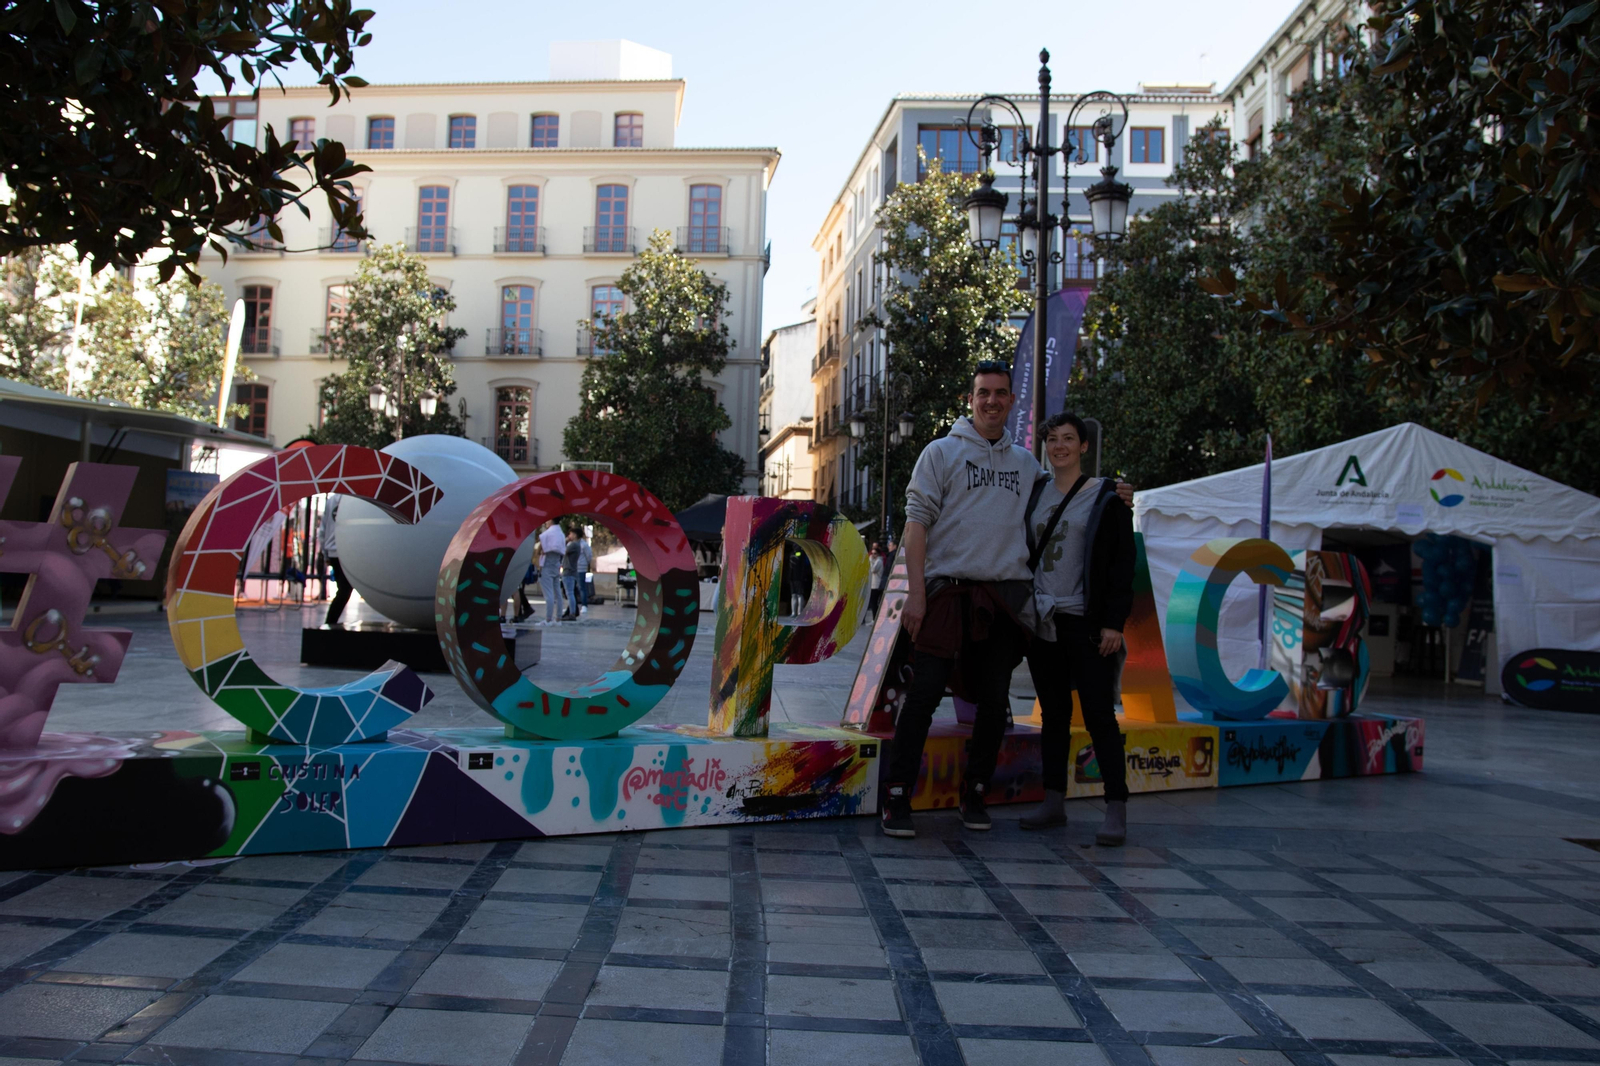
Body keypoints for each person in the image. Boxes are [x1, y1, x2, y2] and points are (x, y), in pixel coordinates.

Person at [882, 360, 1045, 838]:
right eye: (982, 393)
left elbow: (1061, 504)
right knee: (924, 696)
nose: (991, 400)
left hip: (1000, 599)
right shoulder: (940, 453)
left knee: (995, 702)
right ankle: (897, 794)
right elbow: (916, 525)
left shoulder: (1027, 464)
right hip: (946, 594)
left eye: (1000, 393)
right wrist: (915, 594)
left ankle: (975, 791)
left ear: (1012, 401)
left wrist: (1112, 492)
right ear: (970, 400)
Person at [1021, 411, 1137, 846]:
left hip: (1086, 623)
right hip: (1043, 620)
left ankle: (1116, 808)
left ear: (1084, 446)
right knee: (1054, 715)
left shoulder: (1106, 497)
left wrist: (1113, 623)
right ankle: (1054, 801)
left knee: (1099, 715)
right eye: (1052, 439)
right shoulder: (1035, 494)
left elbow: (1123, 564)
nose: (1060, 447)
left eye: (1068, 439)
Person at [322, 496, 351, 627]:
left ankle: (329, 623)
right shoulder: (353, 499)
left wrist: (325, 553)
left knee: (343, 590)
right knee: (344, 591)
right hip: (345, 551)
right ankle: (329, 623)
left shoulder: (331, 500)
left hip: (333, 551)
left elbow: (323, 528)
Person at [536, 520, 566, 626]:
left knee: (549, 593)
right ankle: (558, 618)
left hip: (547, 564)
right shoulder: (561, 534)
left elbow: (542, 548)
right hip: (556, 564)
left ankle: (548, 619)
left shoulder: (548, 534)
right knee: (557, 592)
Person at [561, 528, 583, 621]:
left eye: (570, 534)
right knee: (570, 593)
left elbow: (562, 550)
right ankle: (572, 611)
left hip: (569, 572)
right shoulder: (577, 545)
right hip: (571, 571)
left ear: (575, 535)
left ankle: (572, 613)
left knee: (569, 593)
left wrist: (564, 541)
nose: (569, 536)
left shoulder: (574, 544)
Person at [576, 528, 594, 612]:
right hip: (573, 568)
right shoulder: (571, 544)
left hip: (581, 568)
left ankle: (584, 605)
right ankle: (573, 606)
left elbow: (589, 556)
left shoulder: (583, 545)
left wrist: (584, 564)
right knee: (572, 588)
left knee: (581, 587)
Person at [867, 542, 885, 617]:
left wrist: (870, 560)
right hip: (873, 584)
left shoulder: (879, 561)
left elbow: (873, 569)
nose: (873, 555)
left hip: (876, 584)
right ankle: (874, 617)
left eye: (875, 554)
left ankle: (875, 617)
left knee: (874, 602)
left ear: (878, 554)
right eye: (872, 553)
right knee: (872, 602)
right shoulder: (876, 561)